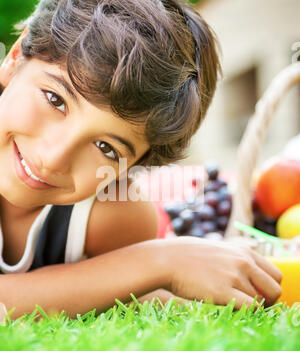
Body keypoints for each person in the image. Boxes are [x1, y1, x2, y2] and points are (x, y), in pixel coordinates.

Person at [0, 0, 282, 319]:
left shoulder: (115, 216)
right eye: (55, 100)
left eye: (106, 147)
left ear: (131, 167)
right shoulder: (146, 255)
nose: (53, 159)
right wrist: (159, 262)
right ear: (14, 58)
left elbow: (130, 298)